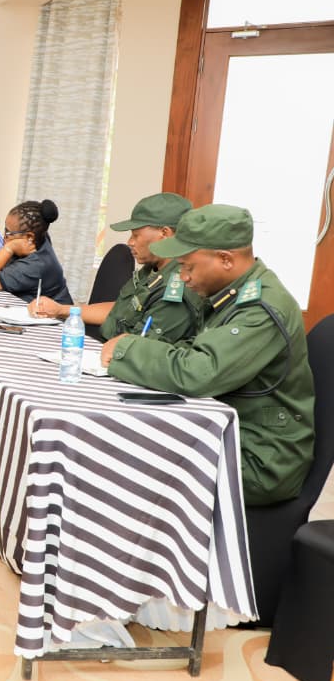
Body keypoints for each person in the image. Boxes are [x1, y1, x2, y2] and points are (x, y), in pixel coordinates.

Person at [101, 204, 314, 506]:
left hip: (259, 457)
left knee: (130, 461)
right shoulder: (231, 293)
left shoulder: (261, 308)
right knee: (125, 440)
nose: (183, 277)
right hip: (227, 429)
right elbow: (195, 348)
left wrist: (128, 349)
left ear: (226, 259)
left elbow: (200, 371)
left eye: (188, 267)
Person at [30, 192, 201, 343]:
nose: (130, 242)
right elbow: (122, 309)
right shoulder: (153, 269)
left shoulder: (178, 287)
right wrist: (61, 309)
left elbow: (145, 348)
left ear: (164, 233)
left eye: (136, 235)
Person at [0, 199, 72, 303]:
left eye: (8, 233)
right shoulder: (39, 236)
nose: (4, 237)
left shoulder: (34, 266)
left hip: (51, 313)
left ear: (29, 237)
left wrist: (9, 247)